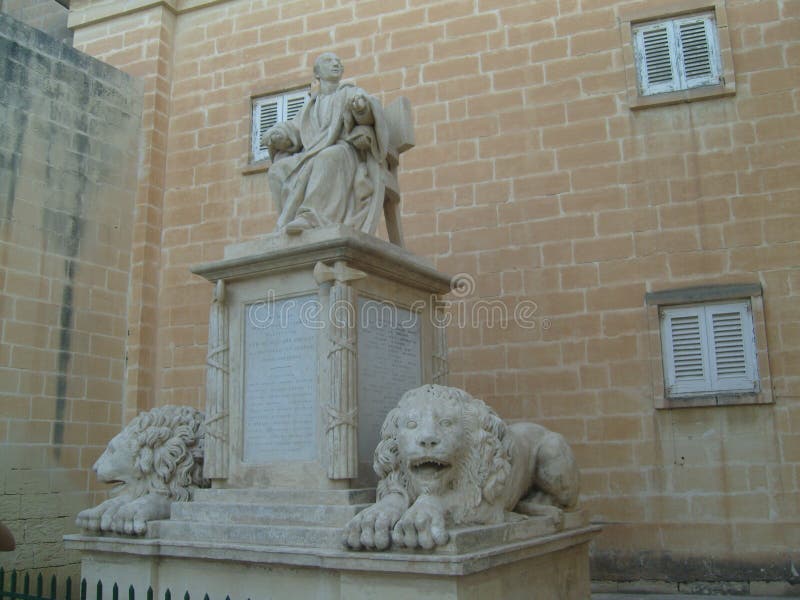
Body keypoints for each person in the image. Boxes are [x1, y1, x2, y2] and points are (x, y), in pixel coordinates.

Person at [264, 53, 390, 235]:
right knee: (278, 170)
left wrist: (361, 108)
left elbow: (367, 112)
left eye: (338, 61)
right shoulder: (310, 106)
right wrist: (279, 134)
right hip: (310, 154)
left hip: (343, 152)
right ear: (317, 73)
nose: (336, 63)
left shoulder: (349, 91)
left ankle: (311, 218)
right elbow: (295, 129)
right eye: (329, 61)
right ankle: (286, 222)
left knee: (327, 156)